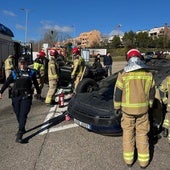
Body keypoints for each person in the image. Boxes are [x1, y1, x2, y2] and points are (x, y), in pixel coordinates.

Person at [113, 49, 155, 169]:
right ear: (140, 58)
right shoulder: (148, 75)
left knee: (128, 133)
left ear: (128, 59)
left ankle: (129, 160)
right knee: (142, 134)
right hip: (143, 111)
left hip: (127, 112)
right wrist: (150, 104)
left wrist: (117, 107)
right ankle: (143, 162)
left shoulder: (123, 75)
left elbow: (117, 93)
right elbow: (152, 92)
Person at [0, 57, 41, 143]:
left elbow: (36, 83)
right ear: (18, 63)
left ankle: (20, 133)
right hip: (16, 97)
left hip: (26, 97)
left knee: (23, 114)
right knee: (18, 114)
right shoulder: (15, 72)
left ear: (26, 63)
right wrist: (1, 91)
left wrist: (38, 92)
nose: (22, 65)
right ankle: (22, 126)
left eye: (24, 63)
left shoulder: (31, 72)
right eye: (21, 63)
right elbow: (7, 82)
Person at [159, 76, 170, 144]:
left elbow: (162, 88)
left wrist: (164, 99)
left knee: (168, 118)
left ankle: (165, 129)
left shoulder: (168, 78)